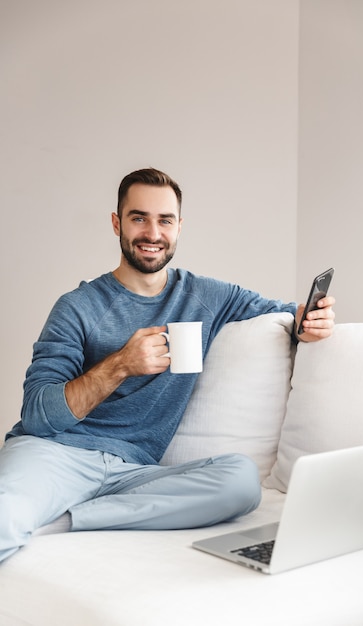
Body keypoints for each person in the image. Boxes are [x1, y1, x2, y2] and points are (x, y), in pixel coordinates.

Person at [0, 168, 335, 563]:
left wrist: (309, 322)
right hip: (56, 456)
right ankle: (44, 512)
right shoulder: (78, 307)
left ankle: (65, 520)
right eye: (139, 218)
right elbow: (38, 415)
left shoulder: (207, 295)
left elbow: (283, 313)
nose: (153, 233)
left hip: (137, 473)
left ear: (179, 227)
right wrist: (120, 365)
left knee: (241, 482)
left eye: (165, 220)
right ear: (116, 223)